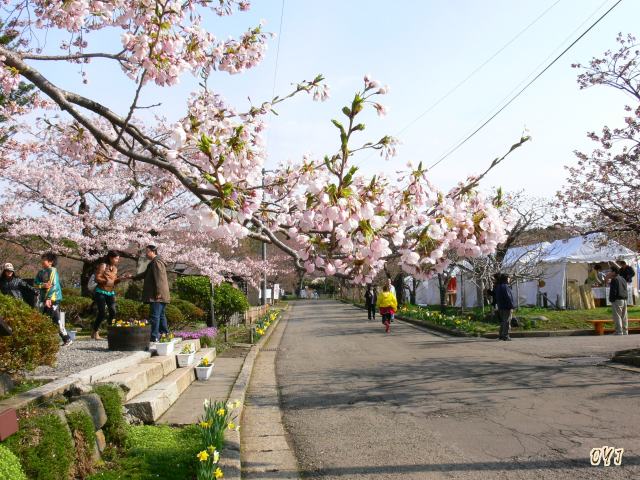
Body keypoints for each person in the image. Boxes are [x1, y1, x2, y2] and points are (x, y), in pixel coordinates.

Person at [133, 245, 170, 342]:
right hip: (159, 294)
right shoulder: (153, 262)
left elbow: (159, 278)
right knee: (161, 315)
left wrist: (158, 292)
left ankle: (154, 336)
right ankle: (165, 334)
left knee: (155, 316)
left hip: (157, 295)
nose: (146, 254)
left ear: (153, 251)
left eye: (147, 251)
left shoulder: (156, 262)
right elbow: (144, 274)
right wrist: (133, 277)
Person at [34, 252, 72, 346]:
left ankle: (67, 338)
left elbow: (53, 286)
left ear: (50, 262)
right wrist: (43, 285)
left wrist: (49, 298)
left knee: (55, 319)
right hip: (44, 299)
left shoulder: (52, 271)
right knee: (47, 319)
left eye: (44, 259)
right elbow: (35, 283)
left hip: (52, 299)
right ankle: (46, 340)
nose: (42, 261)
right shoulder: (41, 272)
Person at [92, 251, 127, 340]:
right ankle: (95, 331)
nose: (117, 260)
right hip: (101, 291)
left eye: (118, 258)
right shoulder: (103, 265)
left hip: (110, 292)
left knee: (113, 311)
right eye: (116, 258)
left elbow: (114, 281)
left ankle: (110, 331)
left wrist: (121, 279)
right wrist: (106, 281)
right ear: (110, 258)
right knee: (102, 313)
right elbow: (97, 278)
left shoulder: (115, 268)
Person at [495, 274, 515, 341]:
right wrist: (512, 306)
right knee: (507, 321)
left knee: (503, 321)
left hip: (500, 306)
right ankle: (505, 336)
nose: (510, 279)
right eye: (509, 278)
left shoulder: (498, 286)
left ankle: (501, 335)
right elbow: (508, 297)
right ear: (506, 279)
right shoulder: (505, 286)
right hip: (507, 306)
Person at [609, 266, 628, 335]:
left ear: (614, 272)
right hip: (624, 299)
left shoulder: (614, 279)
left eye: (611, 271)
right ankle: (625, 331)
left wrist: (611, 299)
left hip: (617, 299)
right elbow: (625, 289)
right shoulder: (623, 279)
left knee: (617, 316)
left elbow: (613, 291)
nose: (610, 273)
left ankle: (619, 331)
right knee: (624, 316)